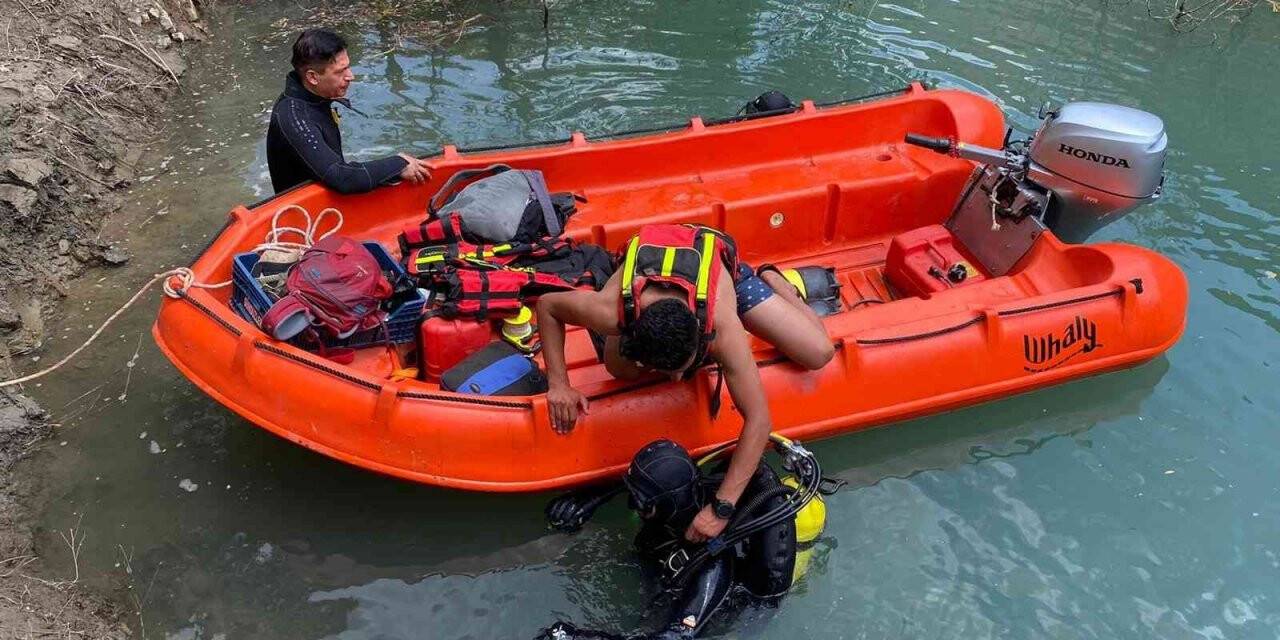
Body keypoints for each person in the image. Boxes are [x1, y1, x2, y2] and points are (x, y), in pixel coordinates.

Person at [535, 224, 836, 544]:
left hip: (721, 272)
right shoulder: (611, 312)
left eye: (684, 368)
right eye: (666, 372)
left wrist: (722, 508)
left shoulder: (722, 326)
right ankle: (645, 352)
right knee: (619, 369)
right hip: (644, 276)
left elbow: (759, 421)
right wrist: (559, 384)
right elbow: (548, 306)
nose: (677, 380)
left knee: (819, 352)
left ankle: (777, 282)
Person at [537, 437, 829, 640]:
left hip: (713, 621)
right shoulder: (681, 504)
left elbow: (677, 635)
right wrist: (590, 499)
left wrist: (579, 636)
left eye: (642, 503)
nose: (634, 508)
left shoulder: (713, 565)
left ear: (666, 506)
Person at [266, 28, 431, 194]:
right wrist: (398, 164)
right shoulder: (292, 116)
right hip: (305, 213)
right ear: (313, 77)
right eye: (340, 71)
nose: (351, 76)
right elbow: (342, 177)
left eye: (348, 67)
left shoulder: (314, 96)